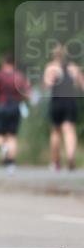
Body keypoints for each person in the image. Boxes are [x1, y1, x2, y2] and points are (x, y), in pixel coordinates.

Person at [0, 53, 28, 171]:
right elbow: (27, 92)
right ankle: (11, 163)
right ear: (13, 64)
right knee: (12, 136)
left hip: (2, 106)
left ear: (4, 63)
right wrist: (23, 101)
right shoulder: (19, 76)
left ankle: (3, 147)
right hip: (15, 107)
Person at [43, 43, 83, 171]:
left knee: (55, 131)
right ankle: (70, 156)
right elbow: (81, 84)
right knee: (69, 130)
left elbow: (47, 85)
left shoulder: (51, 67)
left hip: (57, 101)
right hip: (70, 101)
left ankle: (56, 162)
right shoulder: (73, 67)